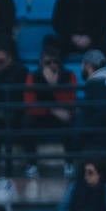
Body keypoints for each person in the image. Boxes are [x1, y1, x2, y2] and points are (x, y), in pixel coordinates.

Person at [20, 46, 78, 179]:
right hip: (40, 116)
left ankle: (69, 163)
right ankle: (32, 164)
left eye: (55, 62)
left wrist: (54, 87)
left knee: (70, 120)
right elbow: (30, 104)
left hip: (61, 118)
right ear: (41, 63)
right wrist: (52, 108)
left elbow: (70, 104)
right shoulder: (33, 76)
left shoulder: (69, 76)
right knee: (26, 121)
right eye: (48, 62)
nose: (52, 66)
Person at [78, 49, 106, 163]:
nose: (81, 68)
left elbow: (98, 116)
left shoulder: (97, 85)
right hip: (104, 142)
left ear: (88, 65)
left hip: (96, 145)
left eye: (83, 64)